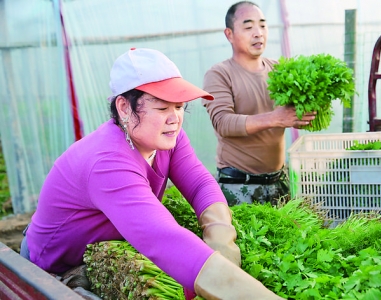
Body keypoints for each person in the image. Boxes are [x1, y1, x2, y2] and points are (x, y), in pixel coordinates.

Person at [20, 48, 283, 299]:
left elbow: (200, 183)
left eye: (179, 107)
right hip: (51, 266)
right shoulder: (107, 162)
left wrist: (221, 234)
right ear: (124, 108)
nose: (175, 118)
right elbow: (163, 238)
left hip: (98, 250)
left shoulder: (168, 137)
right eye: (162, 108)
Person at [202, 1, 316, 206]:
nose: (258, 33)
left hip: (279, 181)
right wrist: (276, 118)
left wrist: (299, 117)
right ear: (229, 34)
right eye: (248, 27)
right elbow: (223, 123)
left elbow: (288, 115)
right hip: (239, 186)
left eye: (262, 25)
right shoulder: (219, 74)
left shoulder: (279, 69)